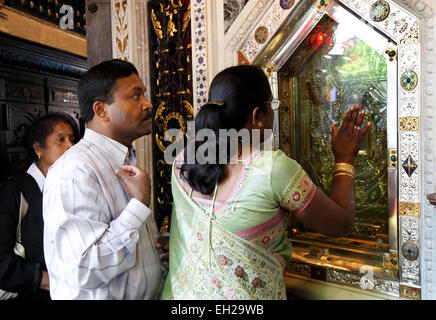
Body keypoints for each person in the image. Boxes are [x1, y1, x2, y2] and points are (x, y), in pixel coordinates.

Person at [161, 65, 371, 300]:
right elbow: (339, 224)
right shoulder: (272, 170)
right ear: (257, 116)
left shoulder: (180, 161)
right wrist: (345, 158)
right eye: (272, 106)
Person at [43, 59, 168, 300]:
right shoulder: (74, 171)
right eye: (135, 96)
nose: (148, 104)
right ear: (101, 110)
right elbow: (84, 268)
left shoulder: (123, 159)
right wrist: (139, 205)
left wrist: (156, 248)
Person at [0, 112, 77, 300]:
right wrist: (50, 281)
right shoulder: (15, 191)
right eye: (61, 140)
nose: (70, 146)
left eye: (72, 139)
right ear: (38, 148)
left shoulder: (75, 186)